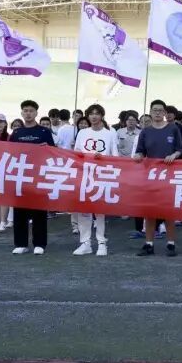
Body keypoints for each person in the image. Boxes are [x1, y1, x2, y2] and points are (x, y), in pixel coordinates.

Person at [132, 99, 182, 257]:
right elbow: (140, 151)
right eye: (155, 110)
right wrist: (138, 156)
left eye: (161, 110)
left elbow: (180, 150)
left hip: (169, 175)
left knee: (168, 211)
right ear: (150, 112)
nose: (158, 113)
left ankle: (171, 244)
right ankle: (149, 244)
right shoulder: (145, 131)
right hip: (150, 176)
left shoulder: (173, 129)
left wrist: (173, 155)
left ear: (165, 113)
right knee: (150, 211)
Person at [5, 100, 56, 254]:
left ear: (36, 113)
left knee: (39, 210)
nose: (28, 113)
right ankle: (21, 244)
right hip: (20, 176)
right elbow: (8, 153)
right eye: (25, 110)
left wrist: (47, 149)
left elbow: (53, 152)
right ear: (21, 113)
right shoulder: (16, 133)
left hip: (39, 176)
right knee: (19, 210)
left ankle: (39, 244)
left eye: (31, 111)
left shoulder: (44, 132)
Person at [73, 104, 118, 257]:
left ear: (102, 116)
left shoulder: (110, 134)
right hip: (84, 174)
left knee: (100, 211)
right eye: (91, 114)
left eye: (97, 113)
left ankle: (101, 243)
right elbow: (76, 152)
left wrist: (103, 158)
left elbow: (115, 156)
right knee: (83, 210)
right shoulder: (82, 132)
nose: (94, 116)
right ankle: (85, 243)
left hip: (102, 175)